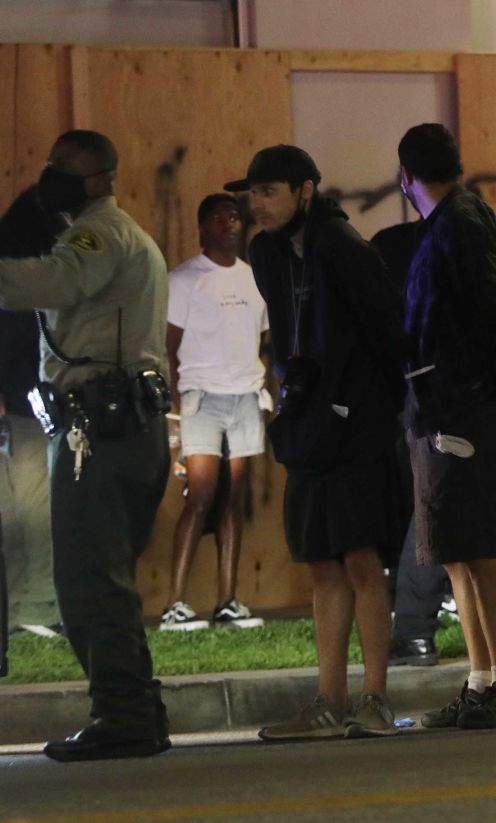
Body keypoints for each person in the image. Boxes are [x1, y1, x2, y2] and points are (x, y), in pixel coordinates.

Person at [0, 130, 171, 761]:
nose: (53, 180)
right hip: (116, 426)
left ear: (101, 178)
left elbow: (56, 283)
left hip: (99, 431)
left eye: (67, 171)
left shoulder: (98, 235)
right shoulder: (110, 233)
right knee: (106, 579)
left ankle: (123, 716)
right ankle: (137, 712)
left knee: (89, 582)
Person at [231, 145, 407, 739]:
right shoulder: (268, 252)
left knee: (362, 559)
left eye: (270, 191)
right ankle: (329, 701)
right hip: (307, 424)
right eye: (252, 193)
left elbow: (388, 330)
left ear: (306, 191)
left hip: (356, 423)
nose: (257, 204)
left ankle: (374, 699)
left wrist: (361, 399)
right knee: (321, 563)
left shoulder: (340, 245)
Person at [400, 124, 496, 730]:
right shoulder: (453, 220)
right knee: (455, 547)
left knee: (476, 547)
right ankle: (481, 680)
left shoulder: (460, 221)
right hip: (448, 403)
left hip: (466, 403)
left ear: (405, 176)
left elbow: (490, 307)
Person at [160, 193, 269, 631]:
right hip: (200, 398)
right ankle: (175, 604)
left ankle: (228, 601)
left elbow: (261, 341)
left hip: (245, 396)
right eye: (220, 218)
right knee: (200, 494)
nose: (230, 224)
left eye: (235, 217)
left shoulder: (255, 278)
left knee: (233, 499)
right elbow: (167, 349)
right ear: (201, 228)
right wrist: (173, 410)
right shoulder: (185, 279)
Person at [370, 200, 452, 669]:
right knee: (435, 511)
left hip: (401, 394)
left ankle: (416, 630)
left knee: (423, 510)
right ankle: (421, 626)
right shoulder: (464, 244)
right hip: (446, 395)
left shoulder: (389, 246)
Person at [0, 186, 67, 637]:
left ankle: (23, 603)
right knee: (34, 506)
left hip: (19, 402)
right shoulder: (30, 276)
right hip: (27, 406)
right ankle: (37, 605)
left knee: (19, 507)